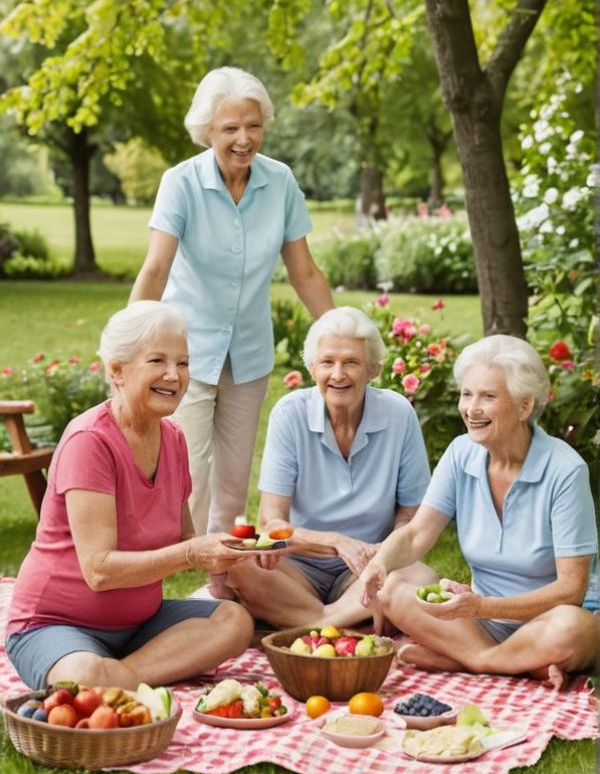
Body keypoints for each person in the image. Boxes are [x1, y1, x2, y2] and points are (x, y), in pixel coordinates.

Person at [5, 301, 274, 692]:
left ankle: (120, 678)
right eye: (158, 361)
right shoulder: (90, 441)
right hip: (56, 623)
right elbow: (99, 570)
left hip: (138, 627)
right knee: (85, 675)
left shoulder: (174, 439)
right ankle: (112, 677)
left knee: (234, 621)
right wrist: (192, 553)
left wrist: (238, 552)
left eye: (183, 363)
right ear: (116, 370)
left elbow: (187, 542)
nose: (174, 375)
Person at [129, 66, 334, 546]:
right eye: (230, 128)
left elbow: (304, 271)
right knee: (190, 469)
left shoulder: (279, 182)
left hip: (249, 352)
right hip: (188, 353)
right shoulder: (181, 183)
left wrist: (337, 335)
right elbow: (156, 267)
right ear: (207, 131)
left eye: (253, 125)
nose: (244, 139)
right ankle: (180, 563)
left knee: (234, 477)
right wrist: (130, 343)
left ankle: (219, 579)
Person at [360, 334, 599, 690]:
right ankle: (505, 662)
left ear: (524, 406)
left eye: (488, 396)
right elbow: (416, 533)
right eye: (466, 394)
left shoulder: (565, 471)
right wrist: (379, 563)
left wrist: (481, 607)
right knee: (395, 586)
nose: (471, 408)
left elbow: (571, 591)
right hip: (482, 623)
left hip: (548, 620)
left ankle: (469, 661)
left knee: (570, 626)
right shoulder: (461, 454)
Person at [223, 307, 436, 628]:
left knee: (419, 576)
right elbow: (271, 520)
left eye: (351, 362)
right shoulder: (289, 414)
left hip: (368, 564)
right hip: (298, 567)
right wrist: (335, 541)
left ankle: (311, 623)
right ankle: (346, 620)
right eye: (327, 362)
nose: (338, 374)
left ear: (373, 369)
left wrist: (382, 558)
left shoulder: (398, 415)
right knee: (239, 567)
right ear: (312, 368)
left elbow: (410, 518)